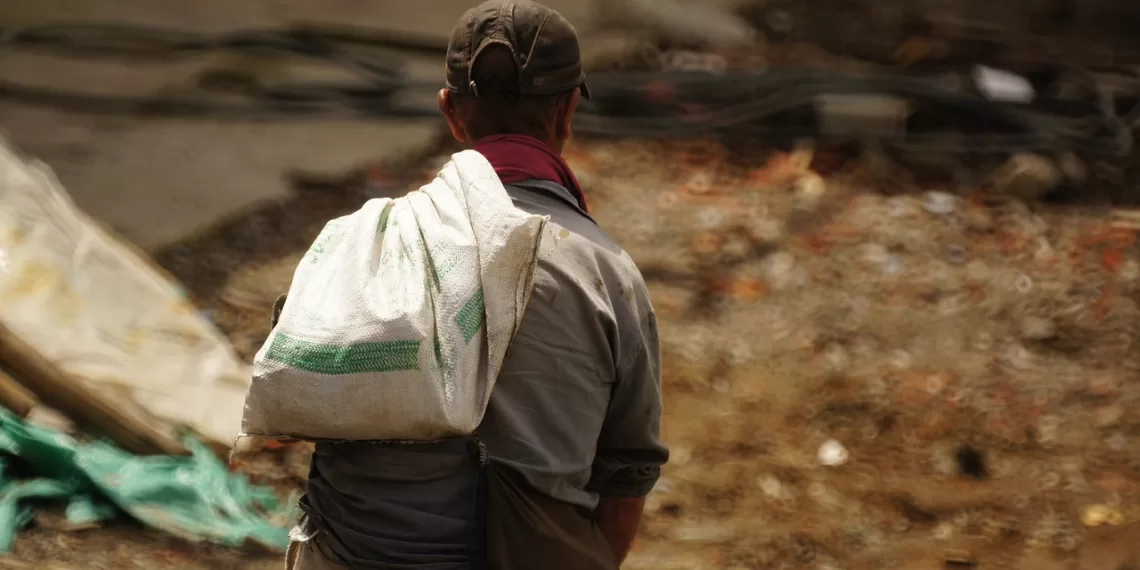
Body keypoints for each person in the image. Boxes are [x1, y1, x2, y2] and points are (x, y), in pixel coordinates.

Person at [284, 2, 668, 568]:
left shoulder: (365, 244)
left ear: (450, 112)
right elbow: (629, 474)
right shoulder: (609, 275)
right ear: (567, 110)